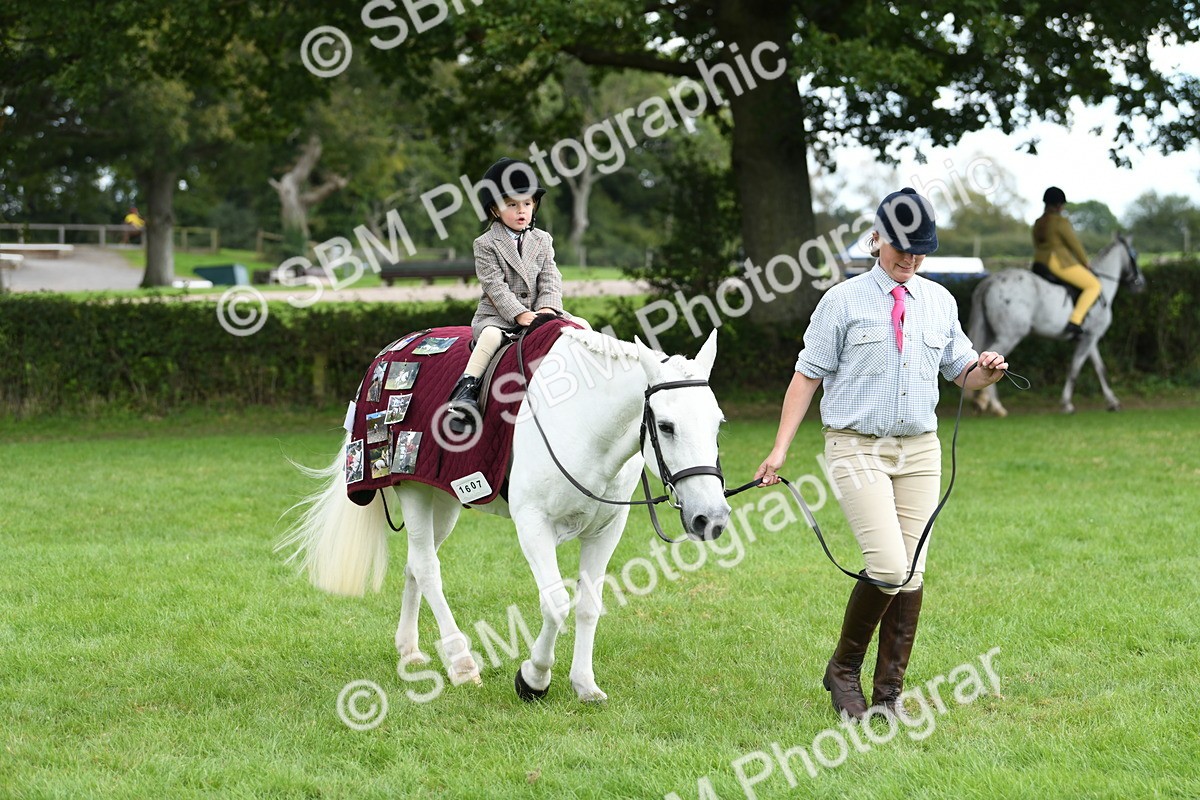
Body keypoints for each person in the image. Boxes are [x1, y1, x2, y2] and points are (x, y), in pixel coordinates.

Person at [754, 188, 1010, 721]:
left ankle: (888, 696)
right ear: (878, 238)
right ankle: (843, 670)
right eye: (902, 248)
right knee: (890, 566)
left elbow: (963, 373)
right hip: (856, 446)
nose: (910, 260)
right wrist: (779, 450)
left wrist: (987, 369)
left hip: (920, 449)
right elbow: (806, 377)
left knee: (912, 573)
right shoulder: (842, 301)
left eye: (920, 252)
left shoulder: (939, 301)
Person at [445, 157, 591, 432]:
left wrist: (547, 309)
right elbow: (494, 285)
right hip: (500, 316)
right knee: (489, 336)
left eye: (526, 203)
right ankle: (465, 392)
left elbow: (550, 277)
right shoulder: (485, 243)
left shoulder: (543, 239)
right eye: (511, 205)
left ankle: (589, 382)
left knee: (582, 326)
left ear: (534, 205)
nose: (520, 210)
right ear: (495, 210)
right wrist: (520, 314)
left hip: (541, 313)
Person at [1032, 186, 1101, 339]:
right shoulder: (1059, 221)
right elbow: (1074, 244)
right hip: (1057, 262)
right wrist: (1085, 263)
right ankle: (1075, 321)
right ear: (1058, 205)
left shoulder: (1038, 222)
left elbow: (1037, 244)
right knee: (1094, 285)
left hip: (1039, 261)